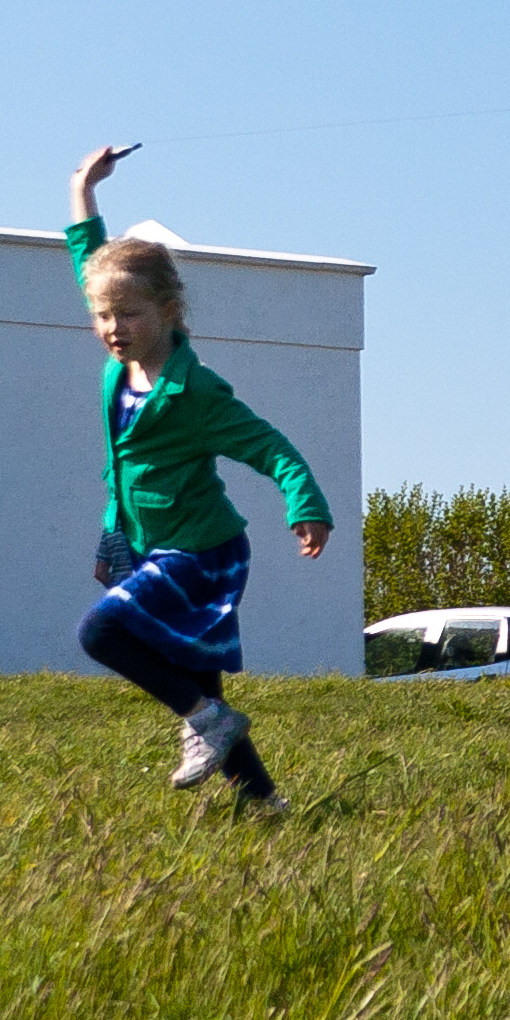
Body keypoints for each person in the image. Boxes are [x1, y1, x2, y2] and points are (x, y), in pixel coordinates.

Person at [65, 144, 334, 814]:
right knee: (197, 674)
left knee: (101, 633)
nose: (113, 328)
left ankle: (207, 722)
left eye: (129, 314)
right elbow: (89, 260)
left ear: (169, 310)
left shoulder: (196, 392)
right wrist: (82, 188)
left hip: (203, 550)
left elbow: (269, 446)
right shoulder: (120, 368)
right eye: (103, 316)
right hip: (145, 539)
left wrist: (305, 502)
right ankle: (263, 802)